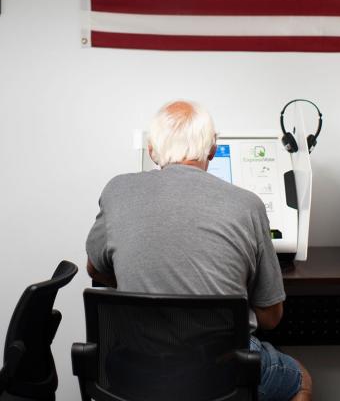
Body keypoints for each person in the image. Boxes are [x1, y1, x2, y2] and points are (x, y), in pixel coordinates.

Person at [86, 100, 312, 401]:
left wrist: (143, 283)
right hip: (221, 374)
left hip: (136, 369)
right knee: (300, 379)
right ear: (213, 148)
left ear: (152, 150)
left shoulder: (117, 191)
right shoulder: (247, 205)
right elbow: (270, 317)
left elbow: (94, 268)